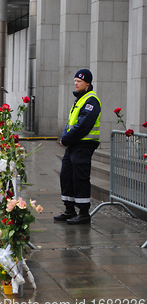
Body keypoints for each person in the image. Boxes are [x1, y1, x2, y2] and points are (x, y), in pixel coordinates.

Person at [54, 69, 101, 225]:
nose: (75, 83)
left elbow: (83, 126)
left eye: (79, 81)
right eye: (75, 80)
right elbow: (71, 123)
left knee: (80, 177)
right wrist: (65, 136)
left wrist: (66, 139)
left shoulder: (91, 100)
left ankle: (83, 213)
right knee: (66, 176)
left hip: (84, 145)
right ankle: (69, 209)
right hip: (74, 145)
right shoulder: (80, 99)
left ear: (87, 83)